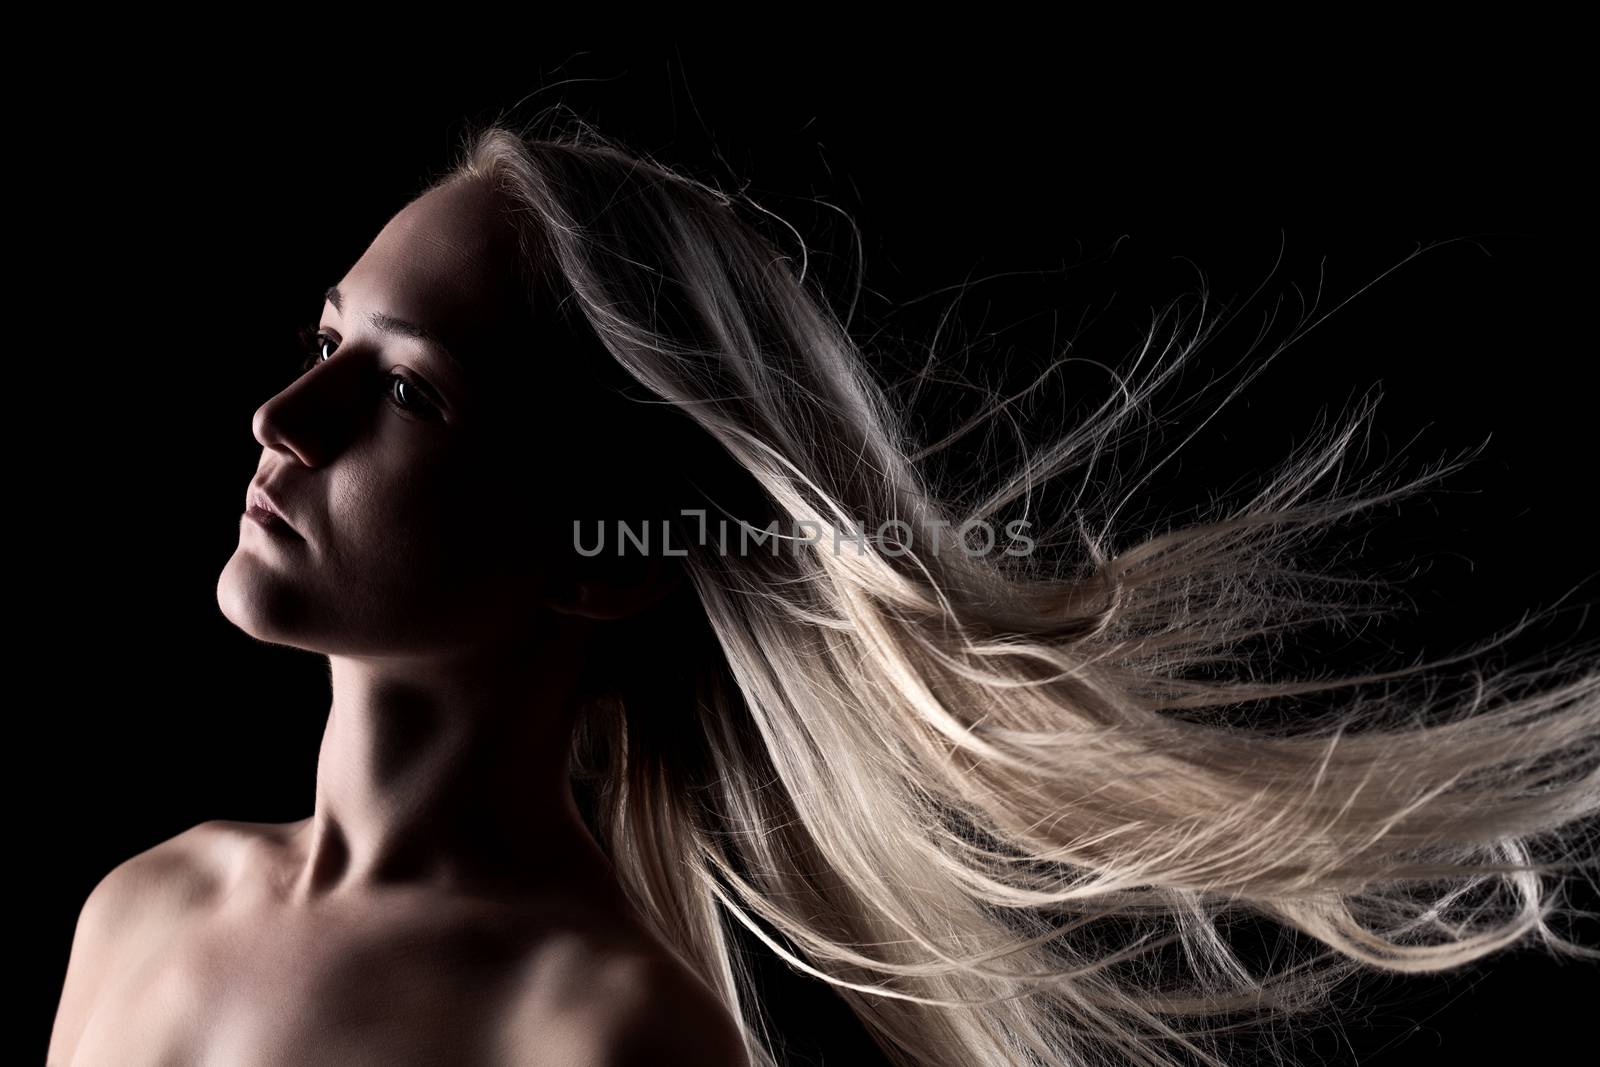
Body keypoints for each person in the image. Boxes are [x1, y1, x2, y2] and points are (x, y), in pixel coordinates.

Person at [48, 117, 1600, 1067]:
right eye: (328, 341)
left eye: (412, 395)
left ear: (605, 560)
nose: (283, 415)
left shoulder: (599, 1041)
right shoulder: (141, 907)